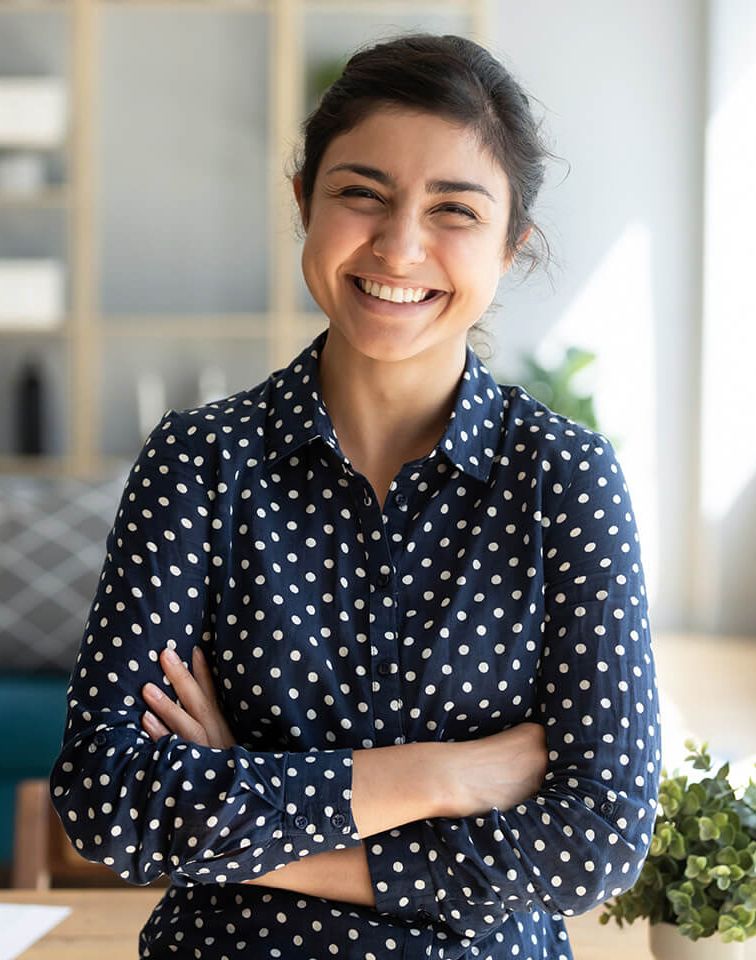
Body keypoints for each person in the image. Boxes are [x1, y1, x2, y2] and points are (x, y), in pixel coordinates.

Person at [49, 32, 661, 960]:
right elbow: (105, 799)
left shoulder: (566, 482)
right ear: (304, 200)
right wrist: (444, 776)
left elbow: (598, 840)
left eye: (454, 210)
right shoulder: (198, 464)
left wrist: (241, 802)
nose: (400, 245)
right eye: (361, 194)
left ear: (510, 246)